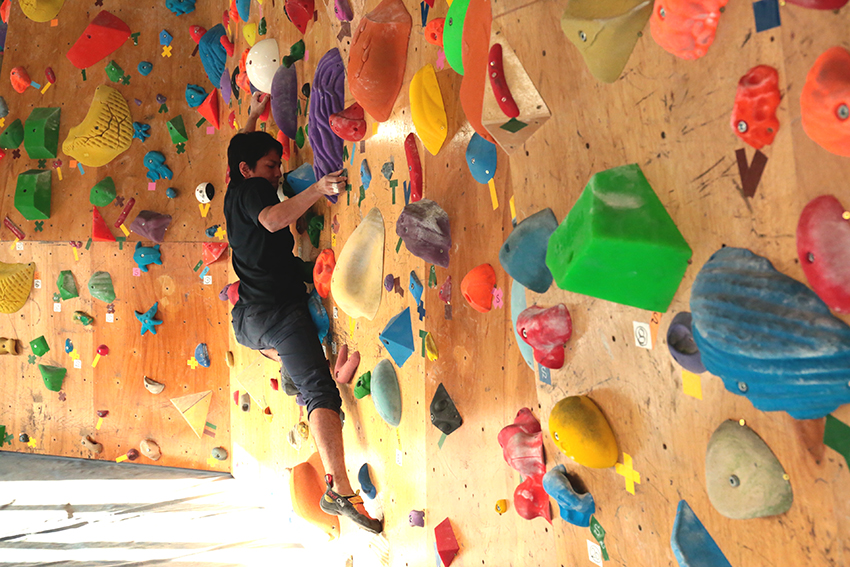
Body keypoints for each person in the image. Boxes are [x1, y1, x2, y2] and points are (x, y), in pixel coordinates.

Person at [224, 93, 382, 534]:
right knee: (321, 392)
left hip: (249, 318)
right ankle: (339, 490)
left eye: (278, 166)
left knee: (305, 369)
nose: (278, 172)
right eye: (271, 166)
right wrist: (317, 189)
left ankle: (292, 368)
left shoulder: (235, 189)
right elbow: (273, 220)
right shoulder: (253, 189)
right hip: (275, 314)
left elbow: (236, 151)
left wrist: (253, 115)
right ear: (248, 170)